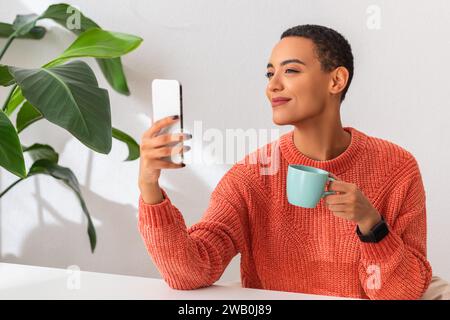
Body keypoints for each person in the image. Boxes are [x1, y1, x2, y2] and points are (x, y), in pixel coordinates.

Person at [137, 24, 433, 300]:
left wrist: (372, 225)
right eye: (269, 74)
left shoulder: (396, 168)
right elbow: (191, 271)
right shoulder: (252, 176)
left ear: (336, 80)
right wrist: (149, 186)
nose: (272, 86)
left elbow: (403, 292)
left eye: (290, 70)